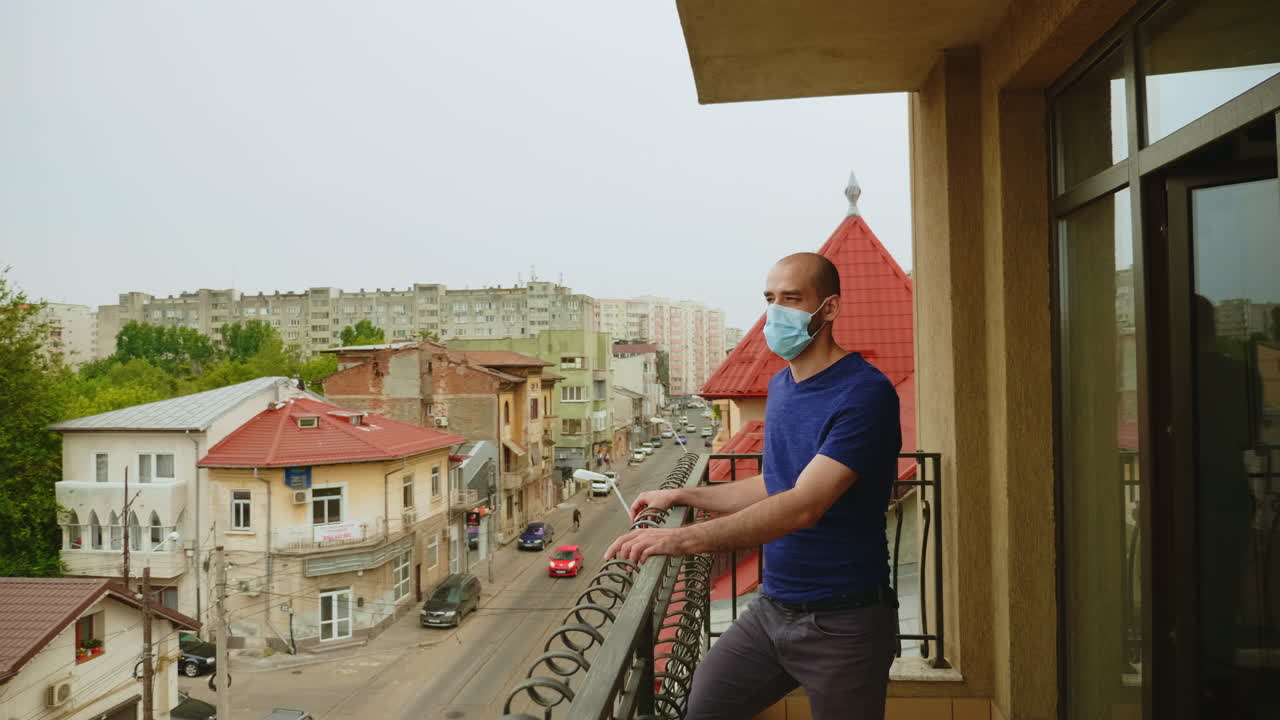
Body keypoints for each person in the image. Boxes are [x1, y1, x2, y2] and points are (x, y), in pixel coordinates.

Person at [604, 252, 901, 720]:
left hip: (843, 621)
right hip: (772, 610)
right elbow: (776, 483)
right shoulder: (783, 385)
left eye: (792, 298)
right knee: (703, 707)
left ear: (829, 308)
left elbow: (804, 505)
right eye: (770, 299)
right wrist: (686, 495)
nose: (776, 311)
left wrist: (682, 539)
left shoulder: (864, 393)